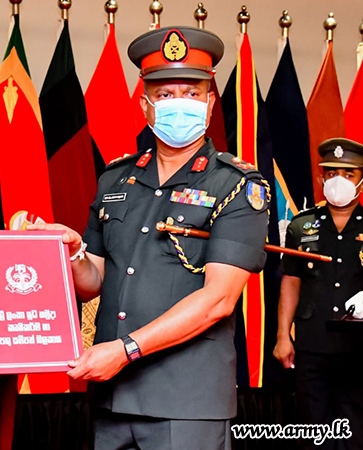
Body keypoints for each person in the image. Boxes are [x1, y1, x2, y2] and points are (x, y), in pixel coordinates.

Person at [31, 27, 269, 450]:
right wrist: (72, 254)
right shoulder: (115, 179)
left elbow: (218, 299)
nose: (180, 103)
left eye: (193, 93)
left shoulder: (236, 185)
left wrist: (124, 351)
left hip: (185, 400)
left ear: (211, 103)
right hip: (112, 397)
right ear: (145, 105)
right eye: (165, 94)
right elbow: (93, 283)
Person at [273, 138, 363, 450]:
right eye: (332, 173)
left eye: (348, 175)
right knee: (314, 431)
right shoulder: (302, 225)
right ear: (321, 178)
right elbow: (291, 282)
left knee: (355, 430)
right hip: (312, 345)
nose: (339, 181)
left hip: (358, 348)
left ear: (361, 181)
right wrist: (283, 335)